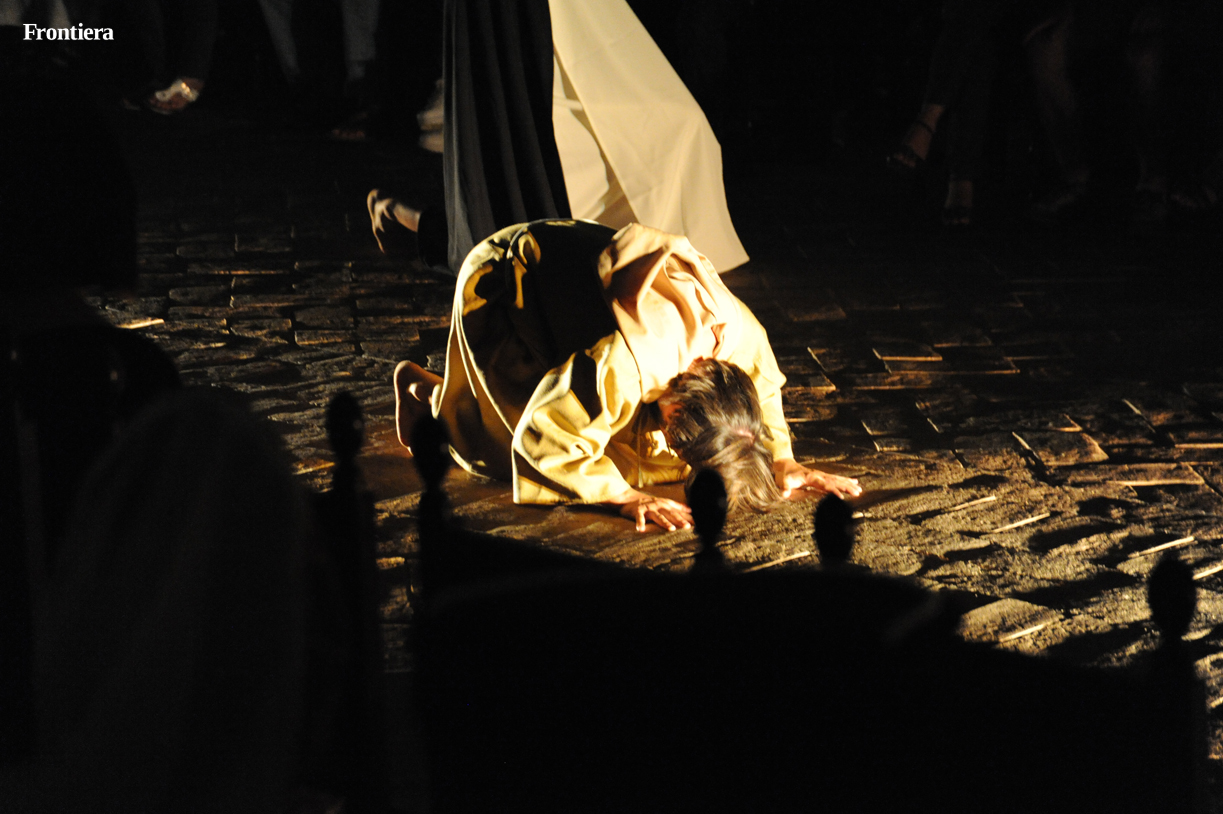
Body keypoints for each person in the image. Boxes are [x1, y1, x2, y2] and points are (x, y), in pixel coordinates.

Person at [393, 219, 861, 533]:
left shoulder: (736, 337)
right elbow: (547, 434)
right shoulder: (632, 361)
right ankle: (421, 391)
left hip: (578, 295)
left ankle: (436, 392)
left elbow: (762, 392)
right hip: (511, 278)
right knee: (502, 440)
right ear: (677, 406)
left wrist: (783, 460)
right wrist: (622, 497)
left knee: (642, 452)